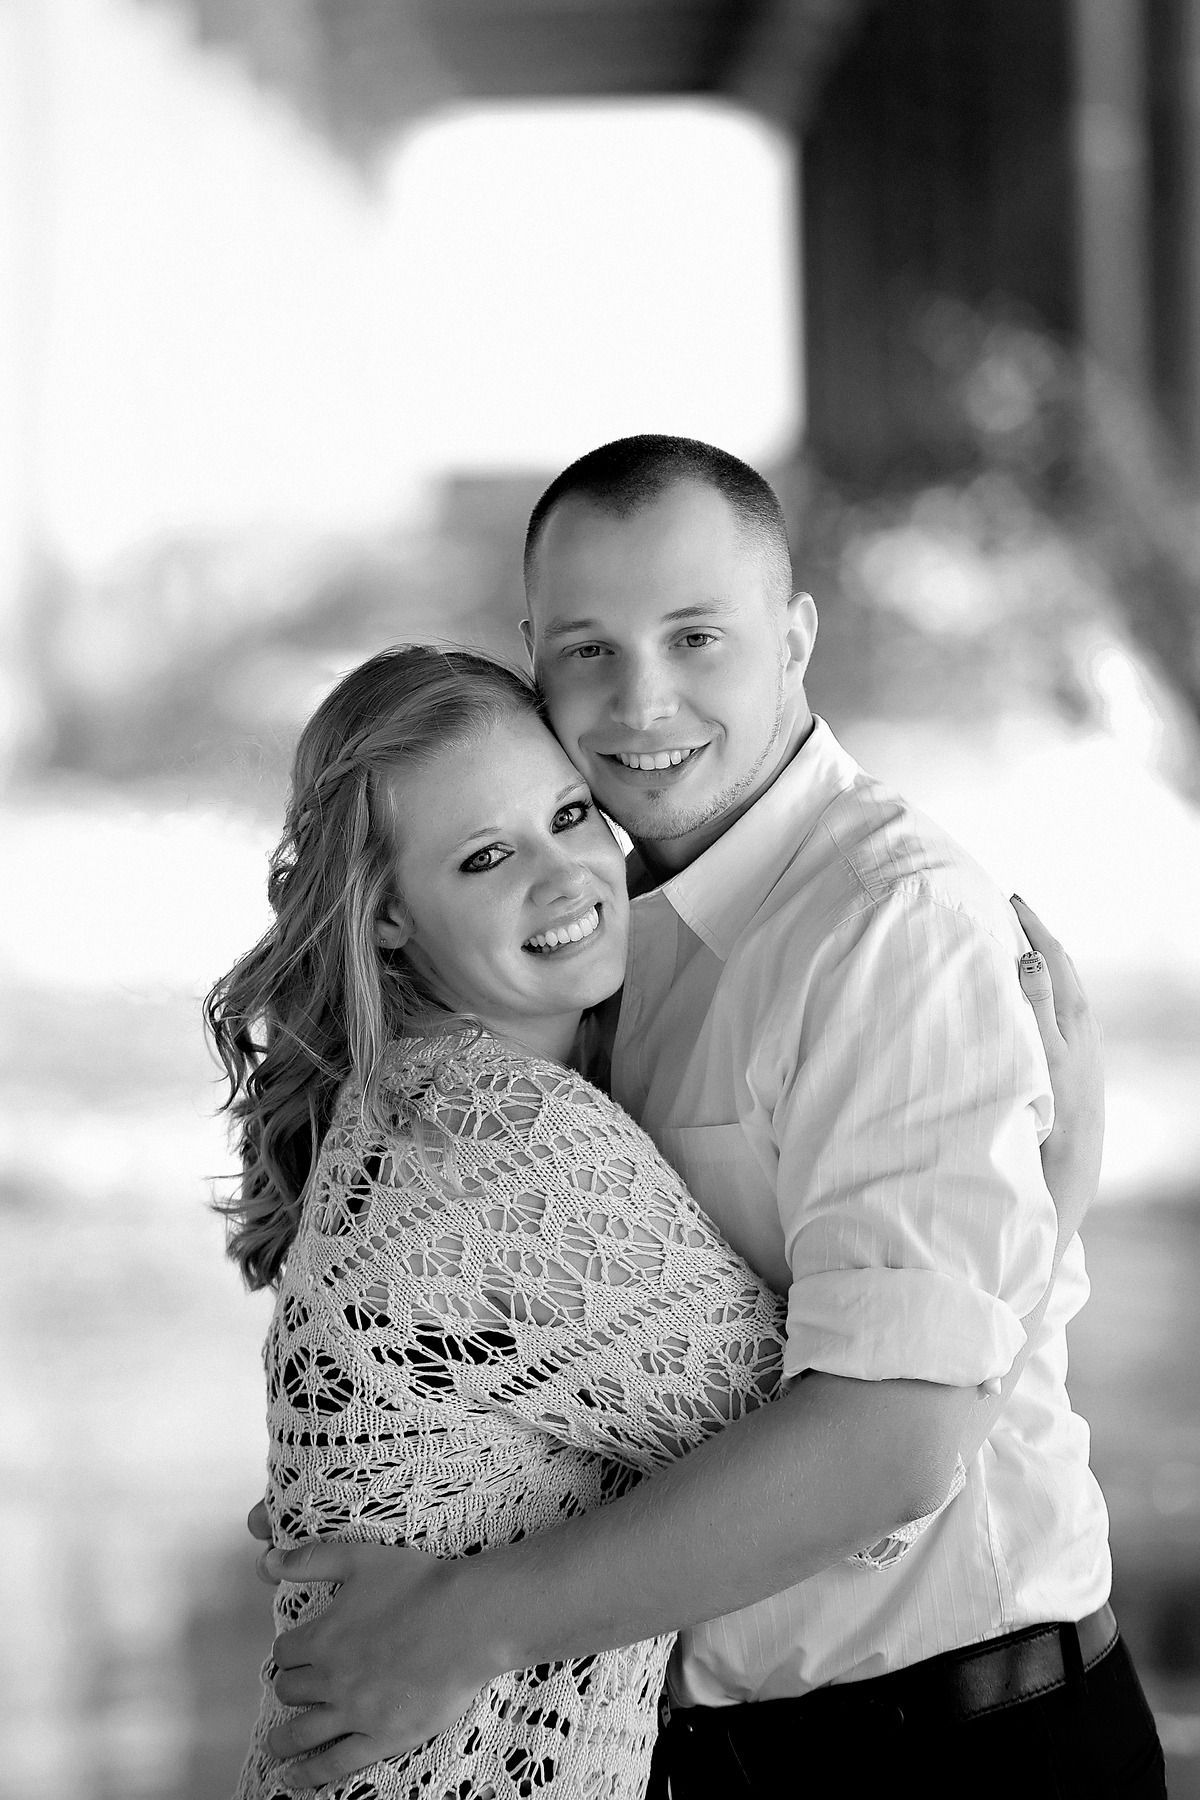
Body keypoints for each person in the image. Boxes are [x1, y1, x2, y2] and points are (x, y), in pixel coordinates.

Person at [256, 437, 1162, 1798]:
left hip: (952, 1751)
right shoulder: (609, 931)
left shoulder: (888, 927)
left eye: (696, 637)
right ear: (534, 656)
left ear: (795, 636)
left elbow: (893, 1443)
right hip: (716, 1757)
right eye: (590, 651)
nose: (644, 701)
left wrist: (466, 1623)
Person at [214, 644, 994, 1799]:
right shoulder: (500, 1135)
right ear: (385, 919)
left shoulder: (416, 1103)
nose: (566, 874)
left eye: (572, 814)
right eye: (486, 856)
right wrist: (1057, 1184)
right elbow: (869, 1477)